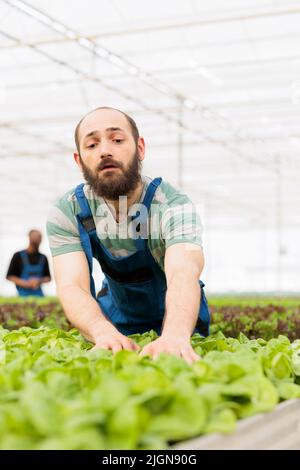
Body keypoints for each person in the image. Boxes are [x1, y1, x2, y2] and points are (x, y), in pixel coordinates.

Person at [47, 106, 209, 364]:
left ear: (140, 148)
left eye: (117, 139)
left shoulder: (174, 206)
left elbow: (184, 270)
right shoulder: (68, 211)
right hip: (116, 318)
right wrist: (103, 332)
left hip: (180, 319)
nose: (105, 151)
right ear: (79, 161)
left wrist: (176, 335)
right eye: (91, 145)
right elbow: (71, 285)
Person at [6, 230, 51, 297]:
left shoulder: (43, 258)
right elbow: (9, 276)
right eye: (35, 237)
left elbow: (48, 278)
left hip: (39, 294)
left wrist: (39, 281)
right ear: (29, 237)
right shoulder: (18, 256)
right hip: (22, 294)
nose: (37, 239)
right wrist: (25, 283)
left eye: (39, 237)